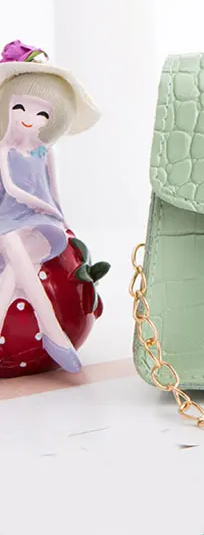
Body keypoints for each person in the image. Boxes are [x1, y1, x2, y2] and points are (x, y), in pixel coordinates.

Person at [0, 42, 100, 373]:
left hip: (41, 221)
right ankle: (54, 333)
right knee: (12, 247)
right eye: (20, 108)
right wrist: (40, 204)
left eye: (41, 113)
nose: (29, 119)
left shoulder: (46, 153)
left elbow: (53, 191)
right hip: (8, 217)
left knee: (16, 257)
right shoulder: (4, 151)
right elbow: (12, 189)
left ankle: (52, 333)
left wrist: (61, 219)